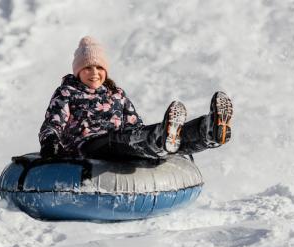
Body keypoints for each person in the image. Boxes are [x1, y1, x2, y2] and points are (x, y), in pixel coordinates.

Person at [39, 36, 233, 161]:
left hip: (120, 144)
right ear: (78, 71)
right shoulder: (67, 92)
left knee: (145, 135)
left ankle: (207, 131)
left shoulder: (117, 94)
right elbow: (52, 124)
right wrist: (50, 143)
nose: (94, 73)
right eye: (87, 68)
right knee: (122, 140)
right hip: (87, 147)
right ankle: (160, 140)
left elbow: (134, 124)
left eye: (99, 68)